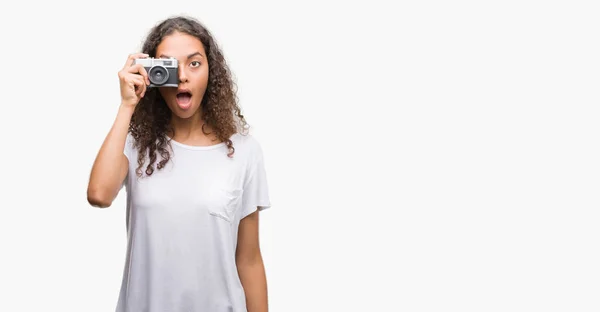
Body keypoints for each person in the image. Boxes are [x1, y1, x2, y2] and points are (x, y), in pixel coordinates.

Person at [86, 15, 272, 312]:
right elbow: (98, 194)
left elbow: (248, 260)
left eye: (194, 63)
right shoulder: (135, 147)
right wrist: (127, 106)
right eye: (169, 66)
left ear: (212, 72)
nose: (183, 76)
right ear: (152, 73)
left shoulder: (244, 152)